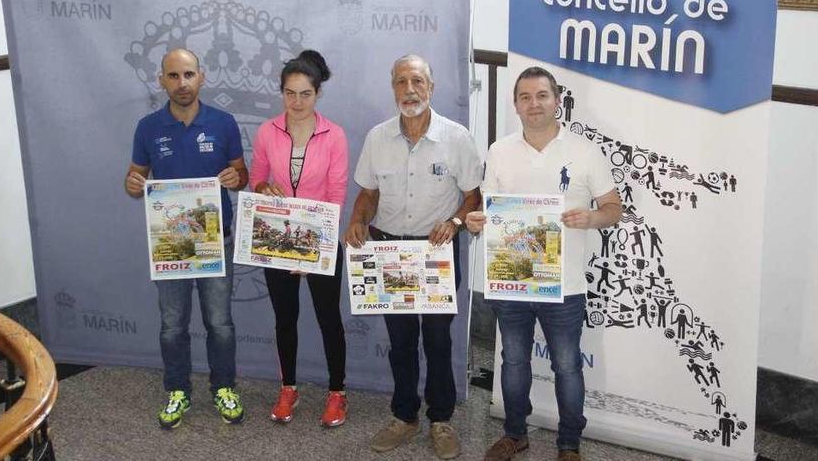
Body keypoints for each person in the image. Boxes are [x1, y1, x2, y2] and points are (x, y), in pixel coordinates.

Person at [465, 67, 622, 461]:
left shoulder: (584, 151)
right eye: (525, 97)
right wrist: (477, 221)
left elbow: (614, 208)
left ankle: (569, 444)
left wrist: (591, 218)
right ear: (515, 104)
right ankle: (515, 433)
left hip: (565, 285)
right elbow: (488, 208)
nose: (533, 104)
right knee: (513, 360)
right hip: (511, 280)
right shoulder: (500, 150)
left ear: (556, 100)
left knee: (568, 367)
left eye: (541, 96)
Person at [345, 54, 482, 460]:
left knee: (438, 340)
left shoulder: (456, 137)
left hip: (435, 252)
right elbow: (369, 192)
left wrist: (456, 222)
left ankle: (441, 419)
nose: (410, 90)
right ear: (393, 88)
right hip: (389, 249)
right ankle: (404, 416)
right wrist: (357, 220)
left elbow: (473, 195)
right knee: (401, 341)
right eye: (402, 81)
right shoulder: (377, 138)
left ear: (431, 87)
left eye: (418, 81)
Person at [124, 48, 249, 429]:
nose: (182, 83)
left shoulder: (224, 123)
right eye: (174, 76)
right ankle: (177, 390)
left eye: (189, 74)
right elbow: (134, 180)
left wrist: (235, 179)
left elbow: (241, 174)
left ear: (202, 77)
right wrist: (132, 185)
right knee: (172, 324)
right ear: (162, 80)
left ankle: (224, 387)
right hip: (172, 242)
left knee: (220, 323)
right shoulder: (148, 127)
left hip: (214, 238)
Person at [249, 50, 349, 427]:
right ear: (281, 93)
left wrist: (312, 255)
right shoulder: (266, 131)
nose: (297, 102)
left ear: (317, 93)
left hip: (320, 244)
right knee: (284, 319)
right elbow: (255, 179)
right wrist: (262, 185)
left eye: (305, 93)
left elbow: (336, 195)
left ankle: (337, 393)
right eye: (290, 93)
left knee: (328, 320)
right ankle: (288, 387)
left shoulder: (334, 135)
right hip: (276, 242)